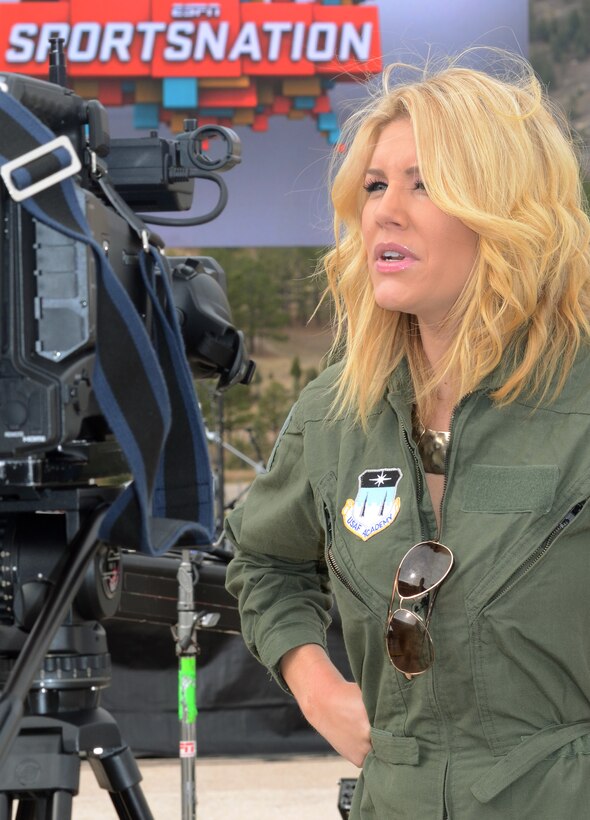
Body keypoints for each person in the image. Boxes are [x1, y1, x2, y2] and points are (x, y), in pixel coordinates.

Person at [224, 51, 590, 820]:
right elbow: (262, 559)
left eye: (424, 184)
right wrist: (316, 687)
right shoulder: (337, 410)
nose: (386, 212)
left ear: (505, 208)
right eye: (375, 186)